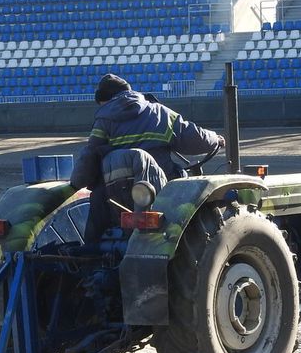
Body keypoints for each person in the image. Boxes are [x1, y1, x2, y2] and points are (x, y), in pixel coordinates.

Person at [70, 74, 224, 241]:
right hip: (160, 191)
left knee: (97, 199)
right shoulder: (161, 113)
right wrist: (216, 139)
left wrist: (75, 183)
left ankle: (90, 252)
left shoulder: (103, 120)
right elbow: (196, 138)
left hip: (114, 194)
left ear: (105, 99)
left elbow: (89, 155)